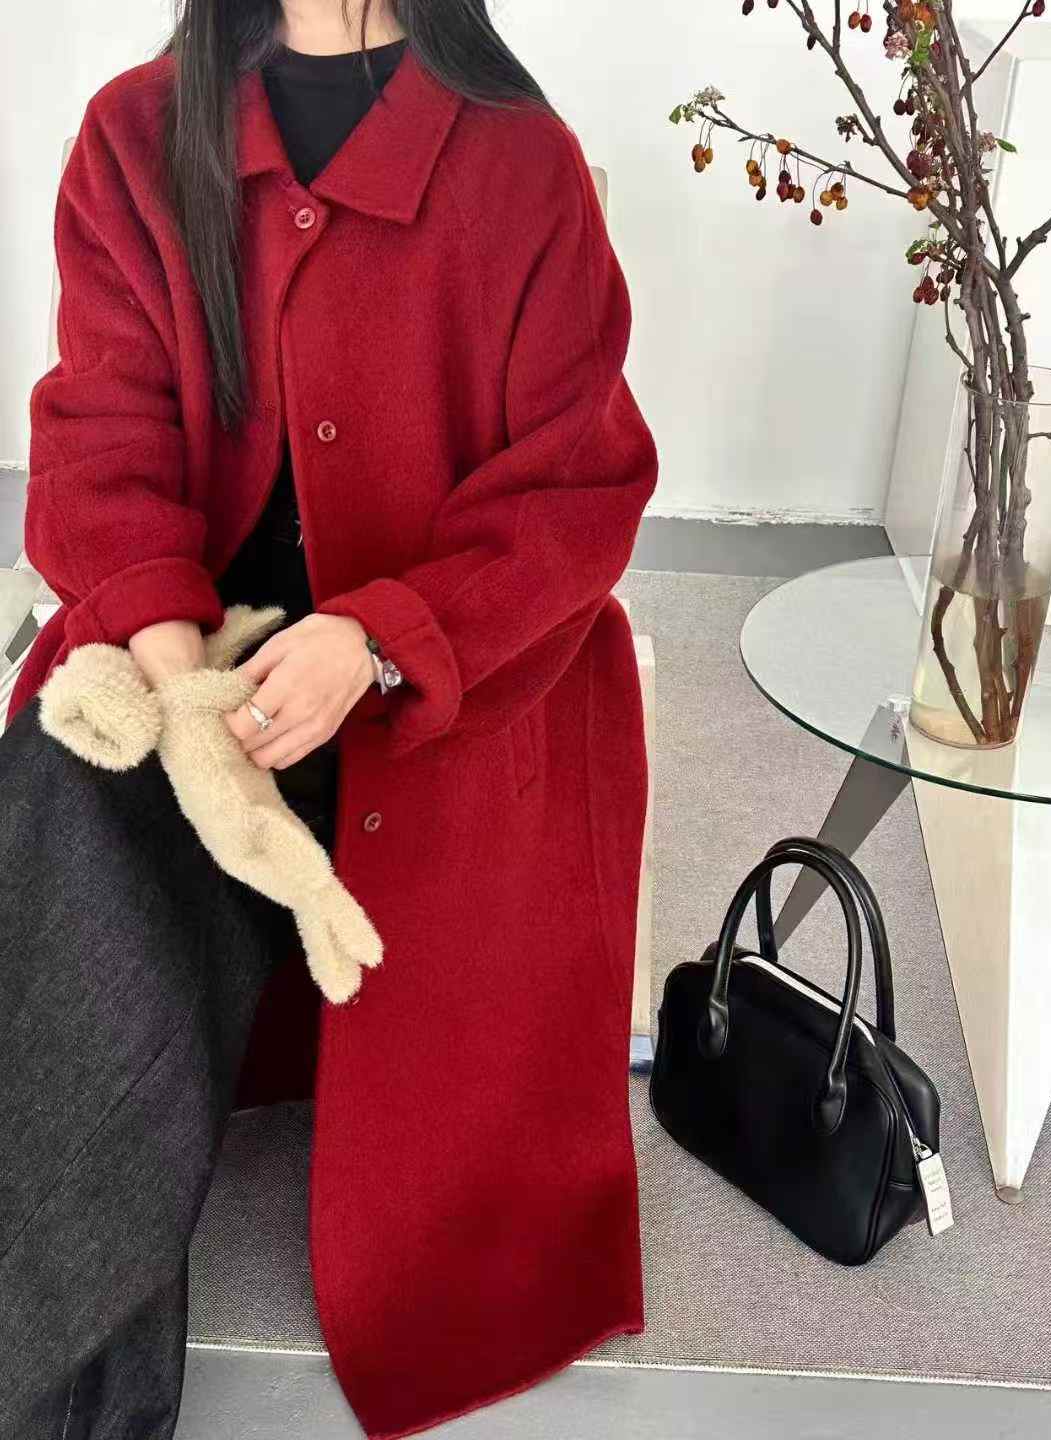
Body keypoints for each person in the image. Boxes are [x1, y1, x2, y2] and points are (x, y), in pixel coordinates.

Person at [0, 1, 659, 1436]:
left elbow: (577, 490)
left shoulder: (520, 160)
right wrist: (185, 700)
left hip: (441, 692)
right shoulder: (135, 134)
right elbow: (101, 440)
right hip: (196, 655)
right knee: (71, 847)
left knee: (112, 941)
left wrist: (377, 643)